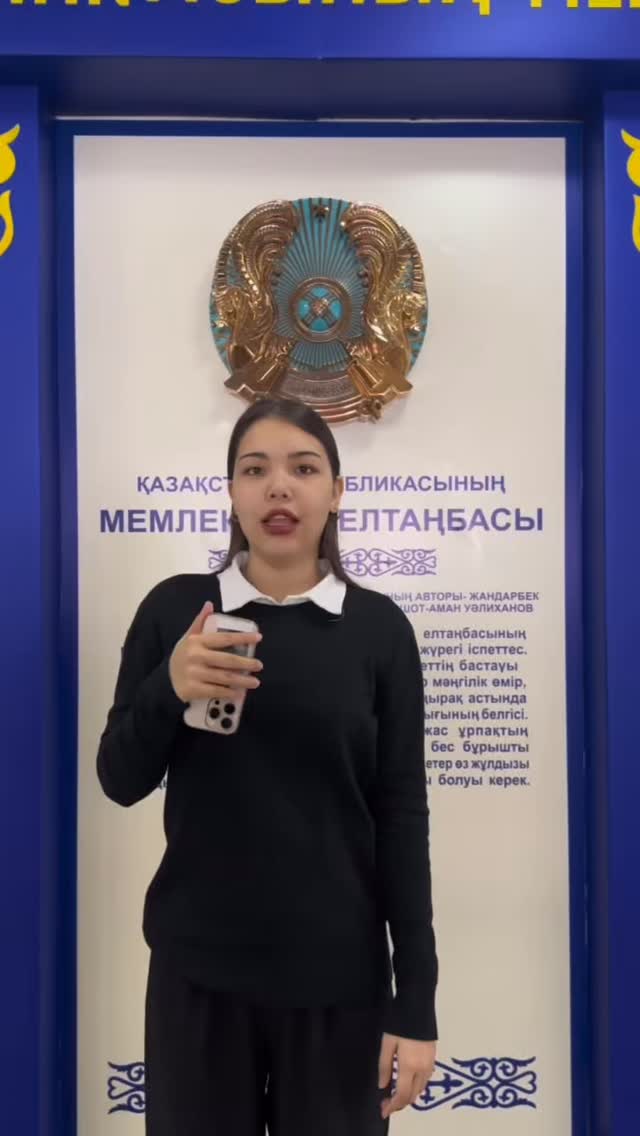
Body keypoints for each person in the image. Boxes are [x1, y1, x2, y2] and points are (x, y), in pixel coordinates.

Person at [97, 397, 438, 1136]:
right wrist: (169, 686)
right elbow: (118, 779)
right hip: (198, 976)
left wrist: (416, 1000)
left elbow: (402, 818)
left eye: (303, 469)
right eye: (255, 470)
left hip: (338, 984)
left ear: (336, 491)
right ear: (231, 491)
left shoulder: (378, 629)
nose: (278, 487)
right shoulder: (177, 612)